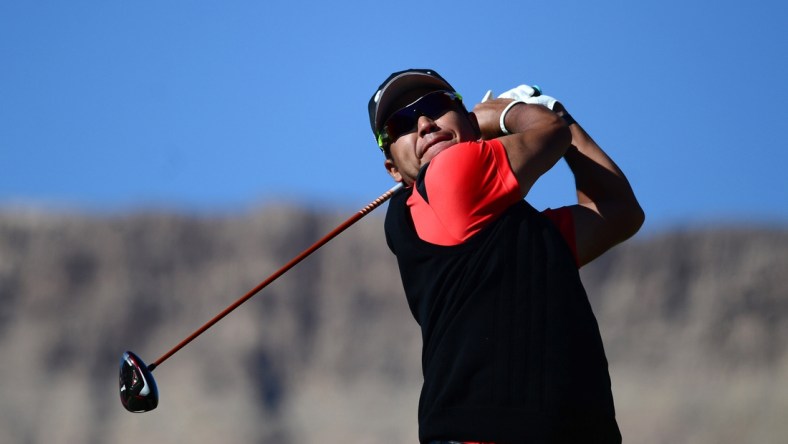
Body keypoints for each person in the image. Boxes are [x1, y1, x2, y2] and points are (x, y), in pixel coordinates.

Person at [368, 69, 644, 443]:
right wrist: (512, 113)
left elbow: (618, 212)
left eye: (436, 105)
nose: (424, 123)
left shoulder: (519, 232)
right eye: (399, 124)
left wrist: (548, 112)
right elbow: (552, 133)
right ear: (393, 170)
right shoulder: (449, 174)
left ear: (466, 118)